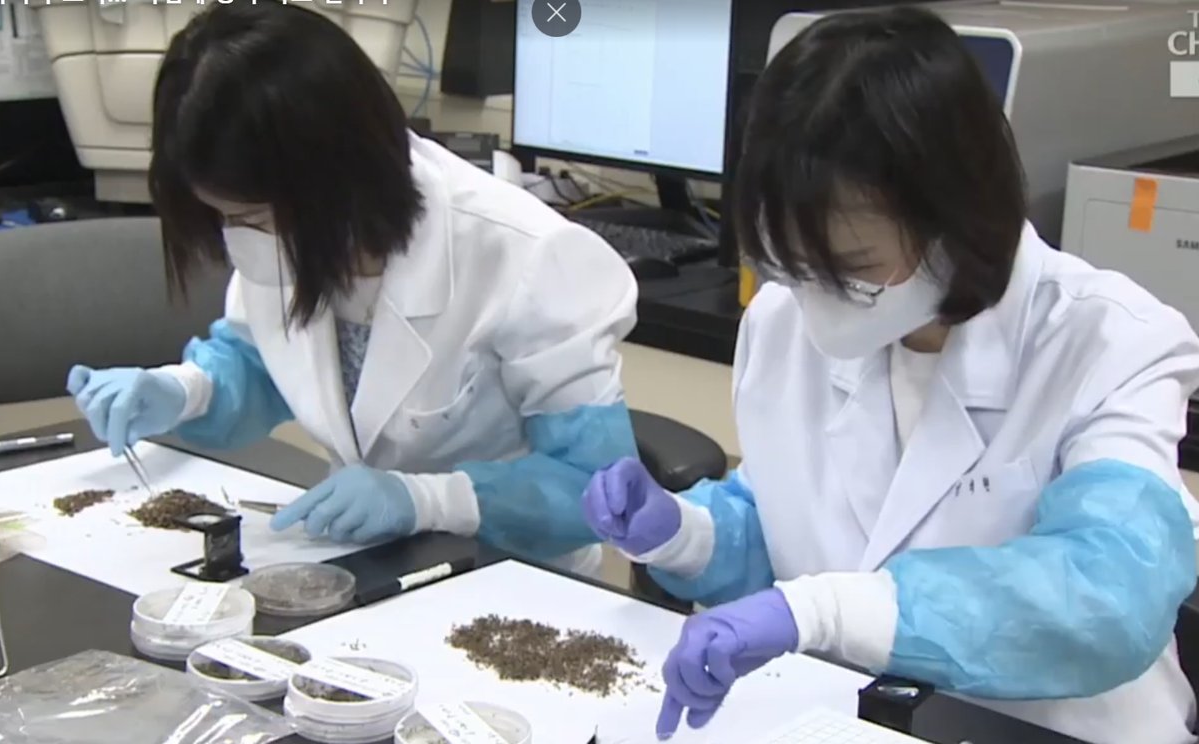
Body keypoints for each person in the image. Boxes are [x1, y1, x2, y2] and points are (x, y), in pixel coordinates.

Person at [583, 7, 1199, 743]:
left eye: (853, 268)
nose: (815, 304)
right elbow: (791, 520)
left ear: (957, 219)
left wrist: (819, 613)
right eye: (788, 263)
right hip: (854, 720)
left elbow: (1107, 597)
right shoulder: (782, 321)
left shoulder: (1110, 342)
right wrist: (683, 532)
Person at [66, 0, 638, 577]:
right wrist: (182, 390)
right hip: (360, 563)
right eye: (223, 217)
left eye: (252, 219)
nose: (239, 237)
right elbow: (263, 362)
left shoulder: (528, 255)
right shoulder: (286, 222)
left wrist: (425, 500)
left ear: (336, 185)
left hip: (513, 578)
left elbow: (592, 488)